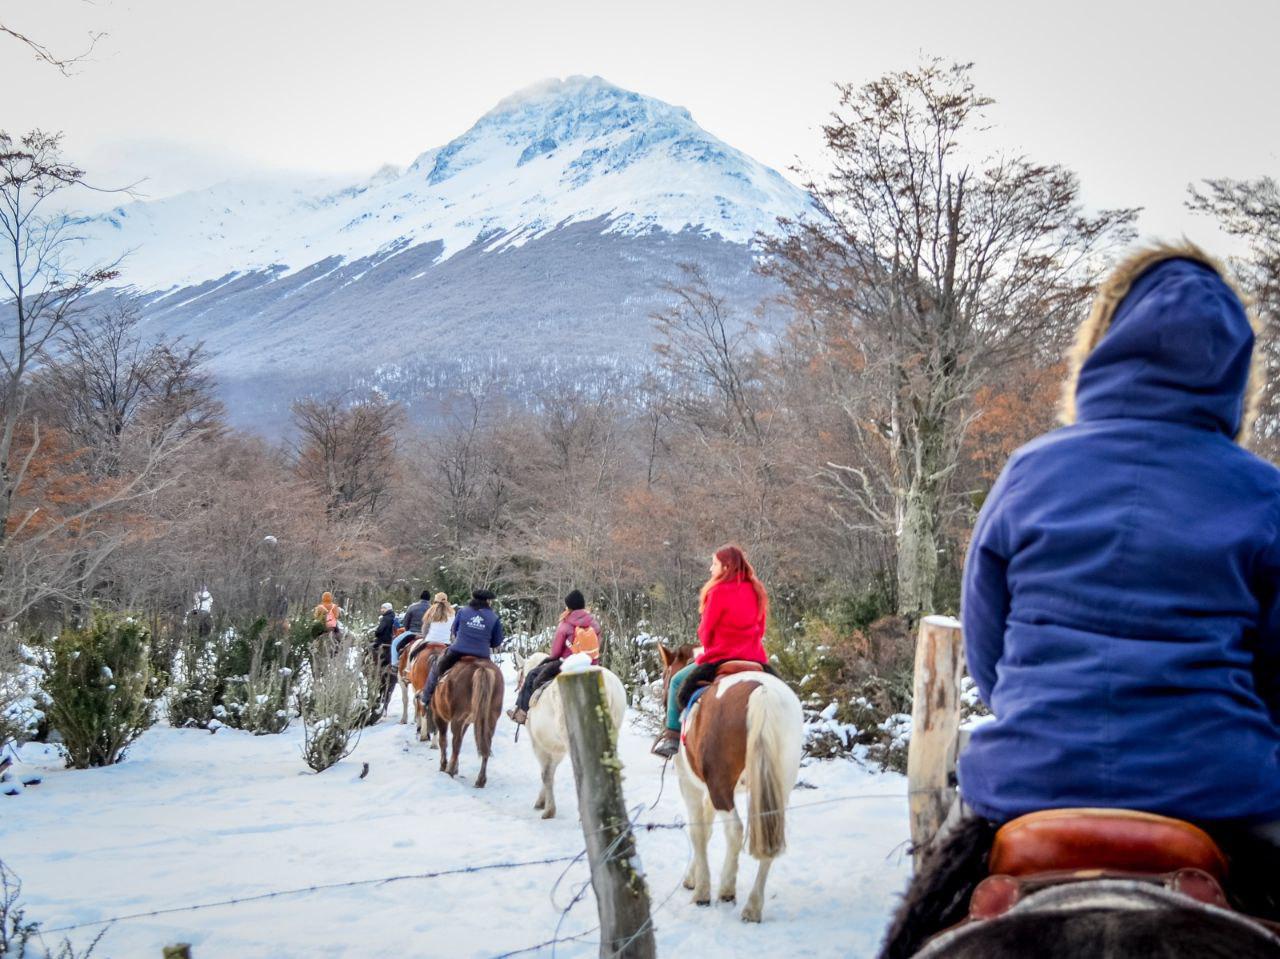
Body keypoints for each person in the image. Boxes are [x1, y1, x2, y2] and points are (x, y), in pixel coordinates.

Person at [880, 243, 1280, 958]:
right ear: (1233, 371)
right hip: (1221, 793)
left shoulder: (1029, 470)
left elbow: (990, 648)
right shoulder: (1264, 492)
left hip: (1029, 785)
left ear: (1102, 345)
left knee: (915, 932)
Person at [651, 544, 771, 759]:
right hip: (754, 657)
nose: (710, 568)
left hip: (721, 656)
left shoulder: (717, 591)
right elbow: (761, 627)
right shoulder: (756, 589)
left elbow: (705, 631)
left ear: (726, 566)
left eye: (714, 563)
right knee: (780, 690)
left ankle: (671, 736)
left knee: (678, 681)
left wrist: (708, 645)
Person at [508, 589, 601, 725]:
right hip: (591, 665)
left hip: (567, 665)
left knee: (532, 675)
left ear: (568, 606)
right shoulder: (594, 623)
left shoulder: (565, 624)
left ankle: (521, 713)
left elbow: (556, 652)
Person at [421, 589, 504, 707]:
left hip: (458, 650)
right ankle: (492, 704)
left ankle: (426, 697)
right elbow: (496, 642)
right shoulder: (494, 617)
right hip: (482, 655)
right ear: (488, 602)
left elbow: (454, 630)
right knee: (496, 677)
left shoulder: (463, 611)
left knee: (437, 666)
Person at [392, 592, 454, 667]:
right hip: (446, 642)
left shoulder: (430, 610)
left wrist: (423, 636)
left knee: (398, 644)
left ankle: (396, 664)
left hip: (423, 636)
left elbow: (424, 628)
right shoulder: (452, 613)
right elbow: (453, 631)